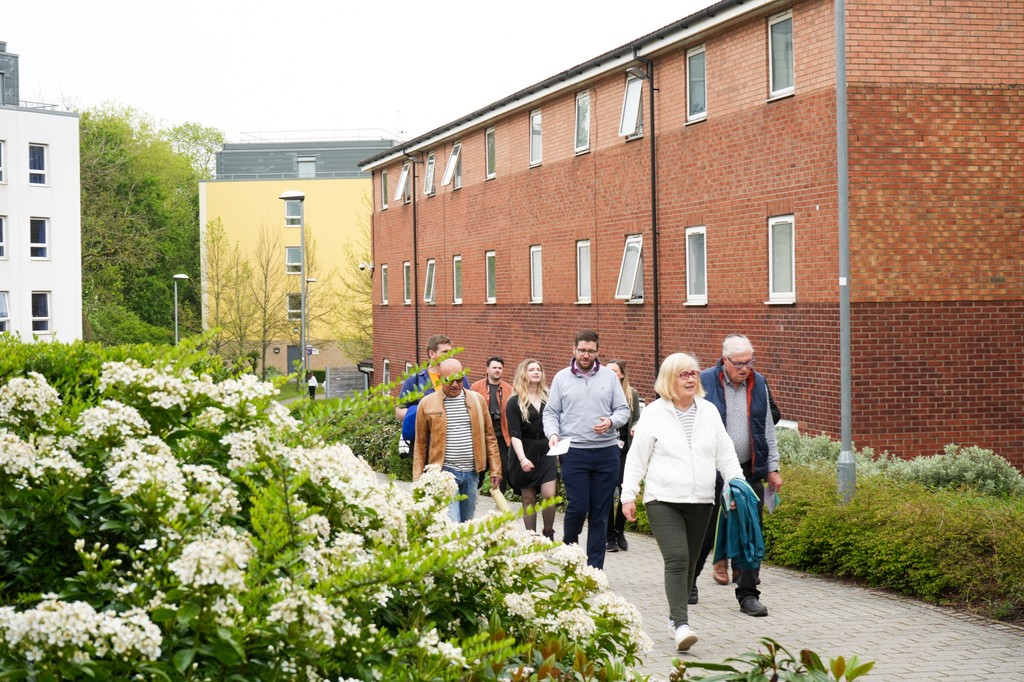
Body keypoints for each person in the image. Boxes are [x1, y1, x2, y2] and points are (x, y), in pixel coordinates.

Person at [621, 352, 746, 652]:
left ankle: (674, 617)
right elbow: (637, 457)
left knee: (690, 562)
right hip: (663, 499)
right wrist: (628, 494)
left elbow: (725, 454)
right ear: (669, 380)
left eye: (693, 373)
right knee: (677, 558)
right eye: (683, 374)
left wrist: (738, 484)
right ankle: (681, 623)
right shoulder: (654, 413)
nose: (690, 379)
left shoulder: (709, 411)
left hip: (702, 500)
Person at [698, 334, 783, 618]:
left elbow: (767, 428)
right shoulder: (704, 382)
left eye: (749, 362)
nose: (745, 368)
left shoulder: (759, 382)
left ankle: (748, 594)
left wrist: (773, 467)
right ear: (725, 361)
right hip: (710, 471)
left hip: (747, 470)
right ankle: (687, 581)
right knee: (705, 531)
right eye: (739, 363)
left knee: (749, 530)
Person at [543, 330, 631, 569]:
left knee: (600, 512)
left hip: (606, 452)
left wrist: (611, 422)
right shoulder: (561, 378)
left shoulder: (610, 378)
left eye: (591, 351)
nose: (586, 354)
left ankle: (594, 569)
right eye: (582, 350)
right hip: (574, 451)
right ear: (574, 350)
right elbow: (550, 412)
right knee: (578, 506)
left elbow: (623, 410)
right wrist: (552, 434)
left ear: (597, 352)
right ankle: (569, 556)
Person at [412, 358, 502, 522]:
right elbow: (420, 445)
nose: (455, 384)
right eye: (449, 380)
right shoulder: (427, 404)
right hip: (445, 473)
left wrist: (496, 469)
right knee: (452, 523)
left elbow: (490, 437)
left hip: (472, 473)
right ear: (440, 379)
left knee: (467, 523)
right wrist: (418, 479)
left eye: (459, 379)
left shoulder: (477, 400)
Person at [505, 359, 558, 539]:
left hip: (546, 449)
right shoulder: (514, 402)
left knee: (549, 495)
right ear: (523, 374)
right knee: (529, 499)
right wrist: (522, 459)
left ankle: (548, 533)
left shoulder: (550, 397)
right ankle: (531, 537)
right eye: (532, 370)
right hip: (524, 450)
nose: (536, 372)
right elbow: (514, 434)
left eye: (539, 370)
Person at [396, 334, 470, 454]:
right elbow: (399, 411)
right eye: (445, 352)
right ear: (432, 354)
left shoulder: (460, 378)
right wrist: (422, 414)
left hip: (457, 444)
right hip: (427, 445)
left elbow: (469, 404)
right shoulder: (415, 380)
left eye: (451, 351)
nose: (450, 355)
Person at [605, 359, 641, 553]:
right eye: (607, 370)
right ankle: (609, 536)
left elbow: (636, 416)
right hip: (607, 449)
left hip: (625, 450)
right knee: (609, 492)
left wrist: (635, 425)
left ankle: (620, 530)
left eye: (614, 371)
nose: (610, 373)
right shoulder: (602, 392)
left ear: (621, 374)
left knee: (623, 489)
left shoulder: (631, 393)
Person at [470, 356, 512, 491]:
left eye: (500, 368)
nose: (497, 370)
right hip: (481, 436)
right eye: (494, 367)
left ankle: (500, 505)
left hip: (501, 437)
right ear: (487, 369)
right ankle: (472, 498)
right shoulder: (476, 387)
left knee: (502, 471)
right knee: (478, 469)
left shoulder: (508, 389)